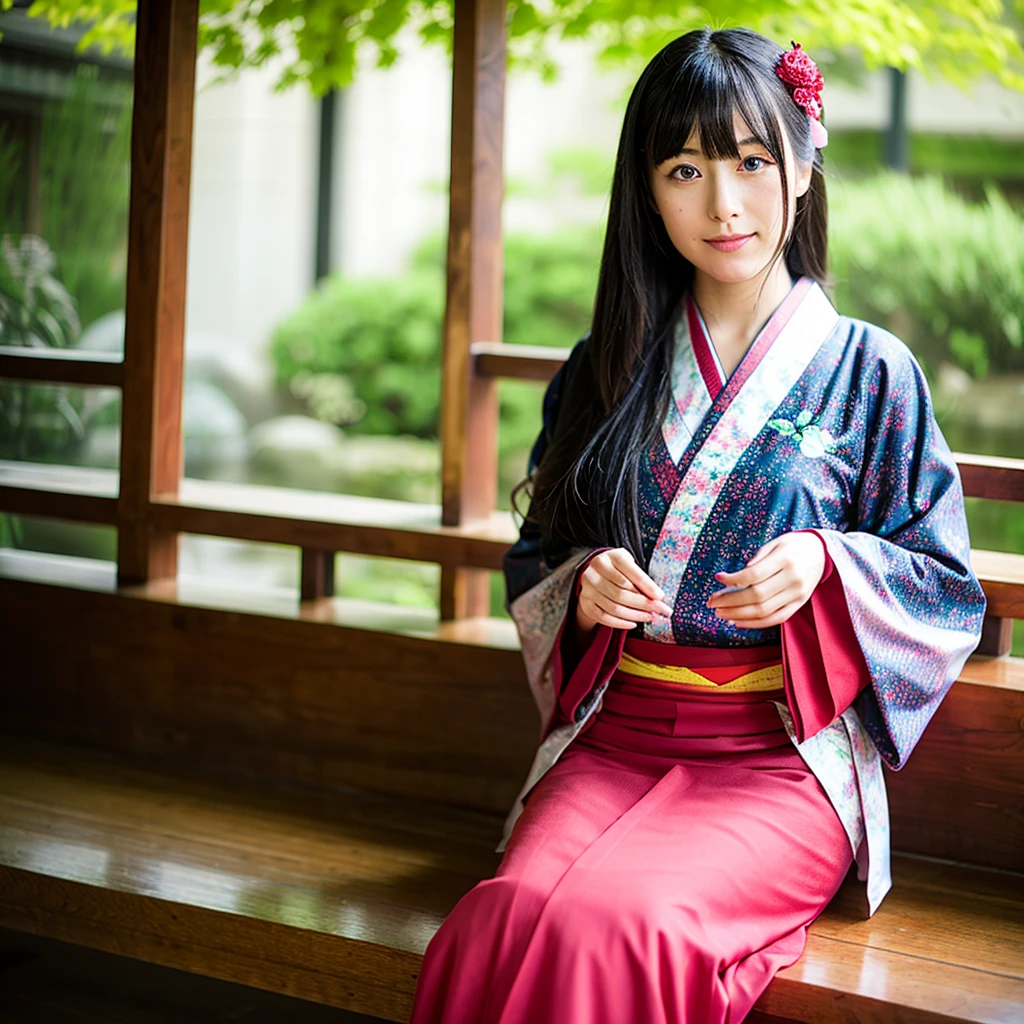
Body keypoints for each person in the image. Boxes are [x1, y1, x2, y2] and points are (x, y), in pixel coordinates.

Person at [410, 26, 986, 1024]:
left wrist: (827, 560)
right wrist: (583, 580)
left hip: (778, 756)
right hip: (616, 733)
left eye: (753, 161)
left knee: (620, 925)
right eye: (685, 168)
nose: (723, 203)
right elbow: (538, 551)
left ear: (802, 167)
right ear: (645, 188)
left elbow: (941, 582)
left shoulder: (872, 370)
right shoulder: (605, 364)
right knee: (502, 912)